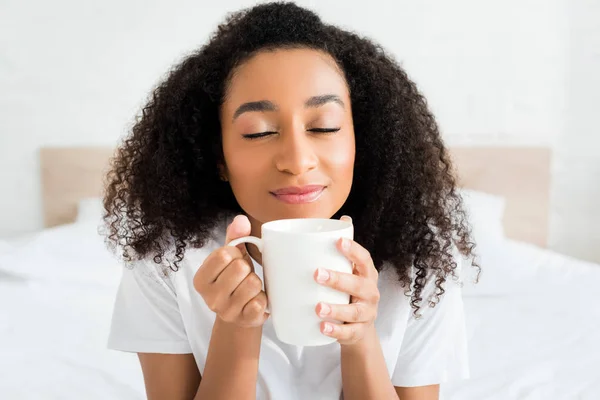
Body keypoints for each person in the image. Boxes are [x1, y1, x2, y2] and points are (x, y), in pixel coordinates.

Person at [104, 2, 478, 399]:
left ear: (360, 141)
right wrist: (236, 327)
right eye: (259, 133)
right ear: (219, 158)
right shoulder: (167, 261)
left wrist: (360, 337)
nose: (297, 162)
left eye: (324, 126)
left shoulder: (418, 266)